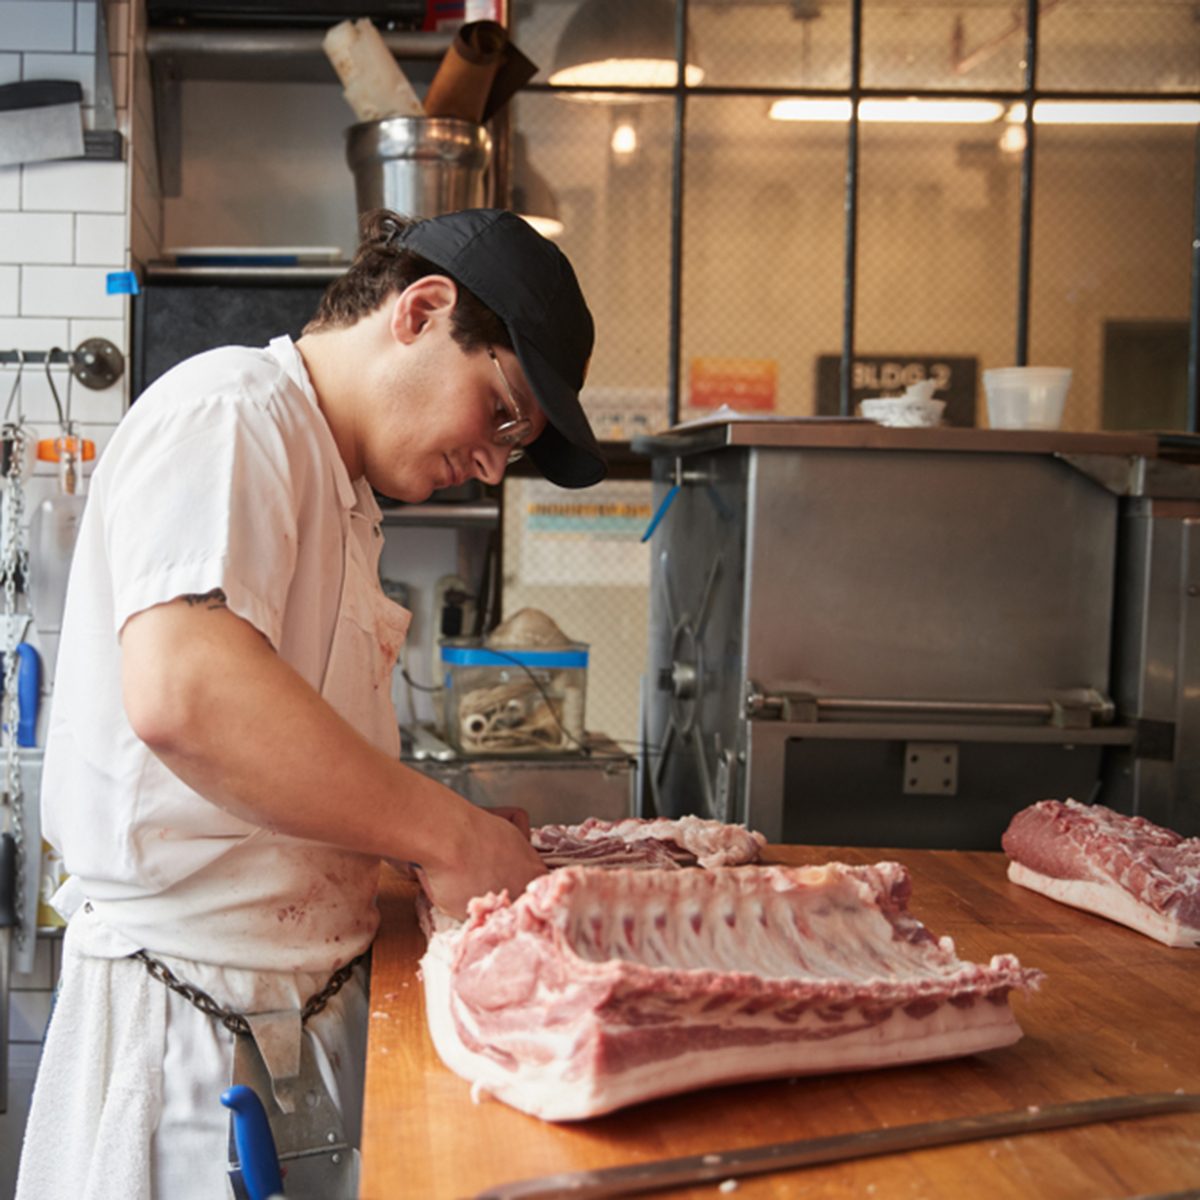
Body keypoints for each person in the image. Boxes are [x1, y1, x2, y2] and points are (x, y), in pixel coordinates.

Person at [16, 207, 607, 1199]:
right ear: (422, 310)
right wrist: (449, 838)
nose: (497, 461)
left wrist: (434, 826)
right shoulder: (233, 413)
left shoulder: (342, 489)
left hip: (272, 1018)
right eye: (503, 413)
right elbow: (188, 695)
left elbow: (288, 755)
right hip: (188, 1042)